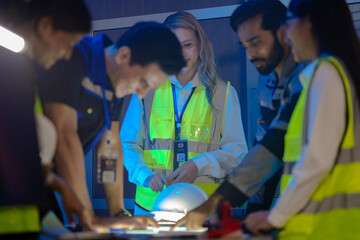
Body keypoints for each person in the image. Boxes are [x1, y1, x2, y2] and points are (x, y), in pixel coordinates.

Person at [171, 0, 307, 229]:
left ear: (284, 32)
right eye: (245, 46)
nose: (251, 54)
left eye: (256, 43)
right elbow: (265, 151)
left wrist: (211, 205)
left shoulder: (312, 76)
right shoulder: (267, 82)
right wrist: (252, 215)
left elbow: (302, 157)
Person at [37, 21, 186, 227]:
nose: (141, 94)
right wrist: (89, 217)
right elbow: (64, 135)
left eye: (149, 88)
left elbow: (111, 146)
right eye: (143, 82)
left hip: (41, 180)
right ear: (124, 55)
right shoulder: (72, 56)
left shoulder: (116, 83)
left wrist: (118, 214)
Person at [245, 0, 360, 238]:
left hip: (325, 230)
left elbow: (315, 162)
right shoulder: (333, 73)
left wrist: (273, 216)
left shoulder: (326, 74)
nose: (285, 34)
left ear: (309, 22)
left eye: (288, 23)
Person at [121, 11, 248, 215]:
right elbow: (128, 144)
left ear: (200, 45)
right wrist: (145, 175)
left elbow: (237, 149)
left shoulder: (224, 93)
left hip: (203, 207)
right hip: (151, 208)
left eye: (187, 45)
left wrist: (199, 165)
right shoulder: (145, 91)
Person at [0, 0, 91, 236]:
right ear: (45, 27)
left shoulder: (23, 68)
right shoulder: (10, 66)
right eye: (69, 43)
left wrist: (58, 185)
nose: (67, 55)